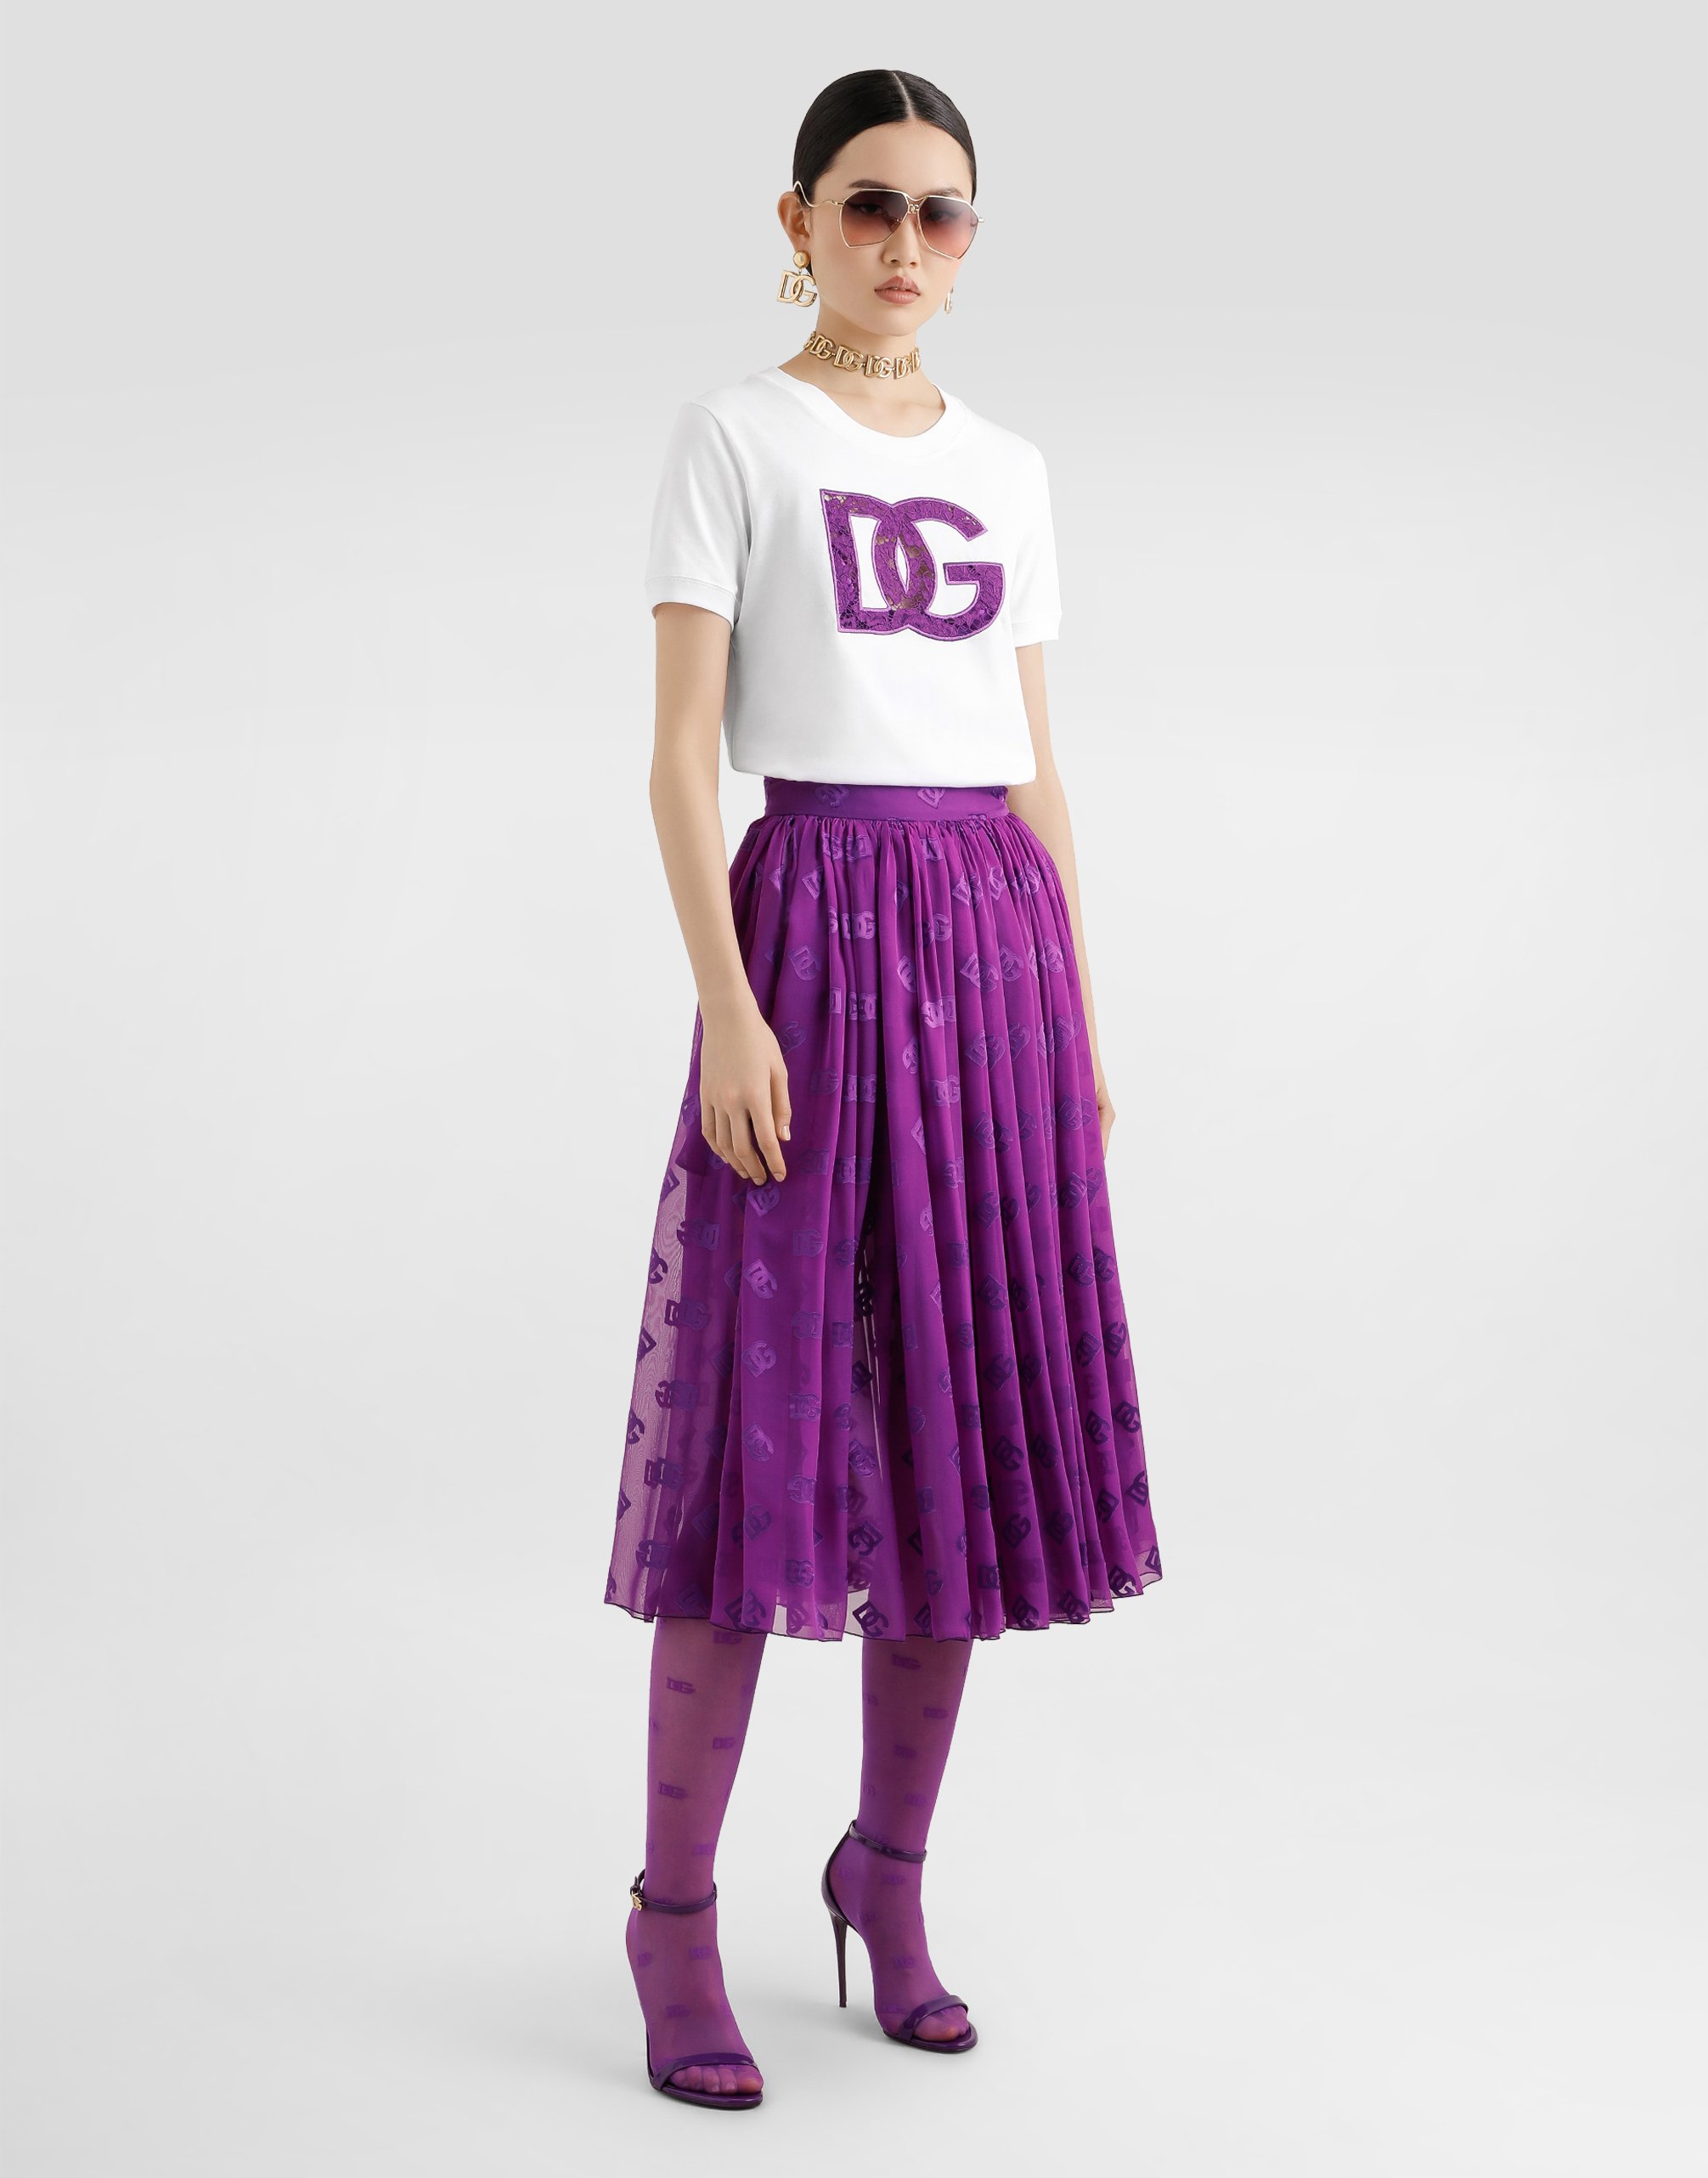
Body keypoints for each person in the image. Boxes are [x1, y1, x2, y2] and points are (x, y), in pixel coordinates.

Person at [605, 66, 1164, 2110]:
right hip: (813, 932)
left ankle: (888, 1877)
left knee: (951, 1438)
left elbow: (1035, 765)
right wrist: (728, 1003)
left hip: (988, 942)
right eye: (868, 205)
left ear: (969, 237)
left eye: (940, 212)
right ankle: (674, 1917)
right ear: (798, 220)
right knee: (753, 1444)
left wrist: (1080, 1028)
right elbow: (681, 756)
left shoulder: (1011, 466)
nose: (905, 244)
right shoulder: (732, 436)